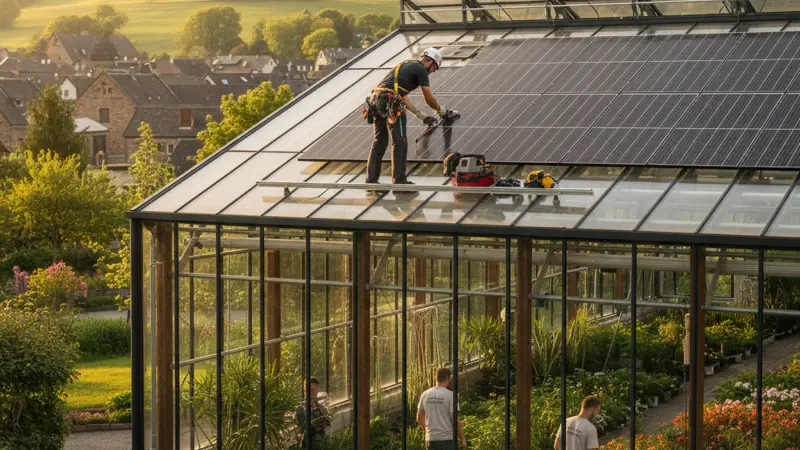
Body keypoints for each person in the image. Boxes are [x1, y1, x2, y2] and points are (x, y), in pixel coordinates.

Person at [365, 47, 458, 185]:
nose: (432, 71)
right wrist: (443, 112)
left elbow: (402, 96)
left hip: (375, 101)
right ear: (431, 62)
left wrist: (422, 116)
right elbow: (429, 98)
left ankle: (371, 180)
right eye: (434, 68)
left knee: (380, 141)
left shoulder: (406, 65)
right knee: (400, 141)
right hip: (390, 102)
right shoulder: (421, 69)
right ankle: (399, 179)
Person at [417, 367, 467, 450]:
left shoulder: (425, 394)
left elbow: (419, 417)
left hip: (431, 440)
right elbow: (454, 419)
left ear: (436, 377)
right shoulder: (450, 396)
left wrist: (428, 431)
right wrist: (462, 438)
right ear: (448, 378)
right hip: (447, 440)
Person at [295, 377, 330, 449]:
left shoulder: (321, 407)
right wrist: (316, 428)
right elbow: (301, 428)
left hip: (320, 443)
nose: (313, 391)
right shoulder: (300, 408)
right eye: (311, 389)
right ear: (305, 391)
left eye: (315, 389)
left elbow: (327, 424)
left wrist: (324, 423)